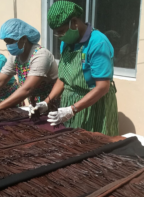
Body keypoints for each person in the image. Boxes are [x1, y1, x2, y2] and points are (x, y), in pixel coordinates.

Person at [32, 1, 119, 136]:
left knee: (93, 144)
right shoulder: (66, 43)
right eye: (56, 33)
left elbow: (102, 87)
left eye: (61, 31)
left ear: (74, 22)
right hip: (70, 103)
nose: (59, 36)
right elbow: (63, 79)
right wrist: (46, 102)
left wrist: (72, 109)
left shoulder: (98, 43)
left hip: (93, 104)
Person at [0, 19, 58, 124]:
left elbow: (27, 89)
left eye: (11, 42)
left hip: (52, 104)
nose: (8, 46)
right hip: (35, 106)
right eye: (6, 42)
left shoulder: (40, 55)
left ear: (24, 39)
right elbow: (0, 80)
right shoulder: (15, 56)